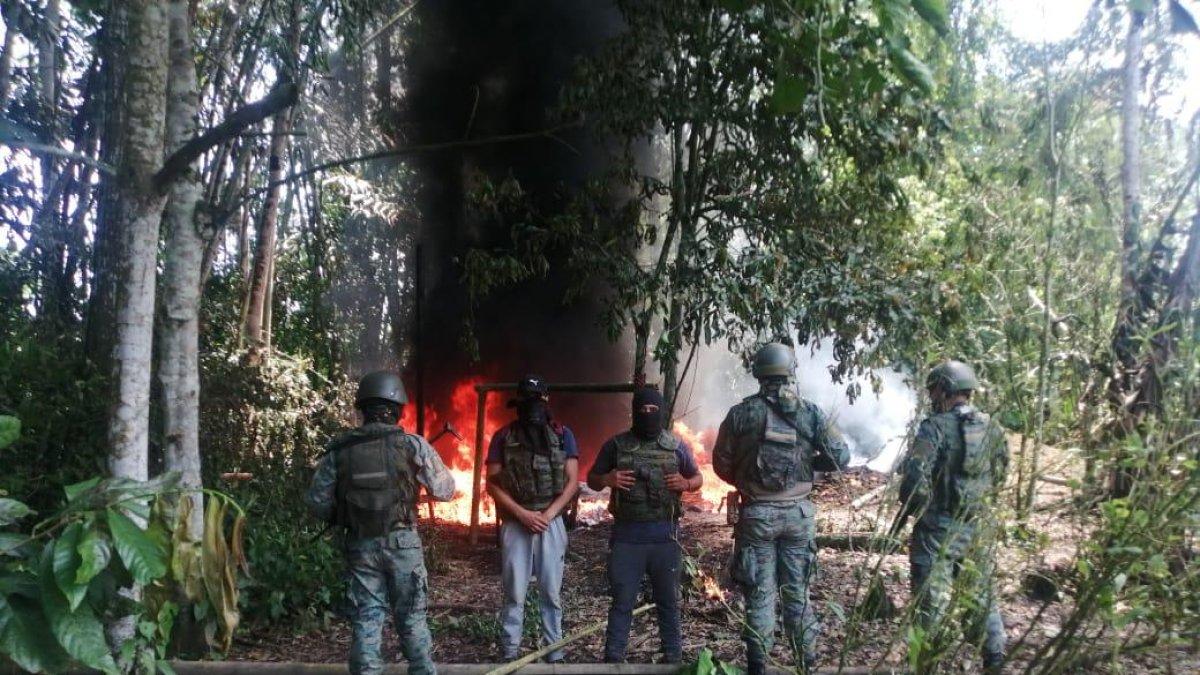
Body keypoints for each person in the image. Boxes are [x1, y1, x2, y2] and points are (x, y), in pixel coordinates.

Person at [712, 342, 851, 675]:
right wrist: (806, 466)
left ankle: (758, 667)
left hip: (757, 514)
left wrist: (747, 479)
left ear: (759, 373)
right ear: (790, 371)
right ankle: (807, 665)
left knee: (759, 594)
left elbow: (721, 464)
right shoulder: (810, 412)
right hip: (797, 515)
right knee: (798, 595)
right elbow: (841, 457)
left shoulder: (740, 414)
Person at [306, 370, 455, 675]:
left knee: (367, 618)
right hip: (403, 543)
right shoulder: (412, 445)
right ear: (398, 409)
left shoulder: (340, 451)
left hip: (361, 544)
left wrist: (346, 512)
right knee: (411, 618)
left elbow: (317, 503)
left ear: (362, 409)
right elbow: (445, 491)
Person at [898, 360, 1008, 672]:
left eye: (934, 390)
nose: (932, 397)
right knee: (981, 593)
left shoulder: (934, 427)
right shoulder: (993, 427)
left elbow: (915, 479)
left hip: (937, 528)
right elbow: (1001, 473)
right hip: (978, 525)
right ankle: (995, 657)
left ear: (945, 389)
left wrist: (916, 509)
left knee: (930, 602)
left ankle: (928, 664)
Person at [588, 387, 703, 664]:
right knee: (622, 602)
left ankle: (672, 657)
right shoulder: (616, 445)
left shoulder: (675, 446)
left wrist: (686, 484)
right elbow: (592, 478)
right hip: (627, 538)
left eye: (654, 410)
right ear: (635, 411)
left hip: (666, 538)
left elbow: (698, 477)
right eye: (643, 410)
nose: (648, 414)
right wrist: (607, 480)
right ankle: (614, 659)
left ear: (661, 412)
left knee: (668, 602)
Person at [485, 375, 581, 662]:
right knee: (514, 591)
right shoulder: (503, 436)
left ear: (546, 402)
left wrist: (549, 515)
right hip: (516, 524)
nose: (533, 408)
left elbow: (572, 481)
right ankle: (510, 651)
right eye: (527, 402)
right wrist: (523, 515)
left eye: (537, 401)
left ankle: (554, 651)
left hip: (551, 524)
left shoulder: (563, 435)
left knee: (550, 592)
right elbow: (492, 483)